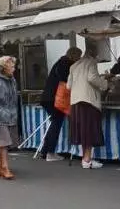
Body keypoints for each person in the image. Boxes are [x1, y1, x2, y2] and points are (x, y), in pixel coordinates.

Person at [67, 41, 110, 169]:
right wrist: (105, 83)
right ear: (93, 52)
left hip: (75, 102)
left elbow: (69, 86)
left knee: (83, 131)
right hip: (88, 101)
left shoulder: (74, 65)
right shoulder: (91, 62)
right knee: (89, 131)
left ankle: (86, 158)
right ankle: (87, 160)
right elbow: (92, 78)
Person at [40, 47, 82, 162]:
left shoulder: (60, 62)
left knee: (54, 123)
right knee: (56, 124)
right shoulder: (66, 64)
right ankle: (50, 152)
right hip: (55, 99)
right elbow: (68, 81)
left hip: (48, 98)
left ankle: (45, 151)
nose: (79, 59)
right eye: (79, 56)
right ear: (74, 56)